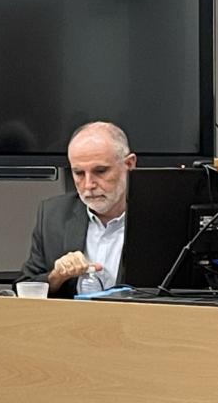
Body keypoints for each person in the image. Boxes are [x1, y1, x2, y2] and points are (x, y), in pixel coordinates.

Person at [19, 122, 136, 298]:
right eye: (79, 173)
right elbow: (24, 288)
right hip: (69, 323)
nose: (89, 185)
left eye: (101, 171)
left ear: (129, 164)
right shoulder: (53, 215)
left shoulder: (161, 217)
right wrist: (57, 276)